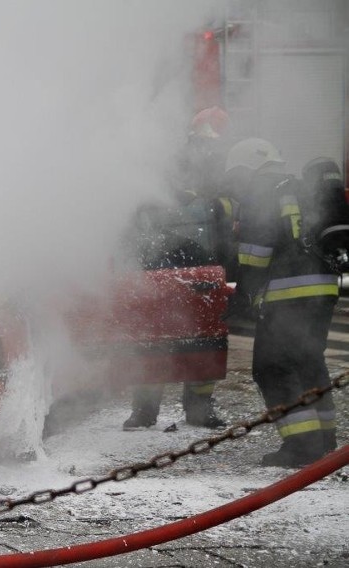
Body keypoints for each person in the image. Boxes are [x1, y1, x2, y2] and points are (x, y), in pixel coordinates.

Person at [226, 137, 338, 467]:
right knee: (309, 361)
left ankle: (302, 446)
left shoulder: (262, 192)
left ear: (249, 168)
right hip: (323, 291)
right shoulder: (302, 187)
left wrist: (242, 295)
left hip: (287, 294)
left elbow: (256, 254)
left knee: (272, 367)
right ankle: (325, 437)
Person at [123, 107, 233, 431]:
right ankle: (144, 409)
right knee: (152, 338)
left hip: (202, 261)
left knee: (204, 337)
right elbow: (142, 210)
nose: (211, 146)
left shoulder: (222, 168)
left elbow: (224, 214)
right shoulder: (174, 163)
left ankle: (198, 408)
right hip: (160, 260)